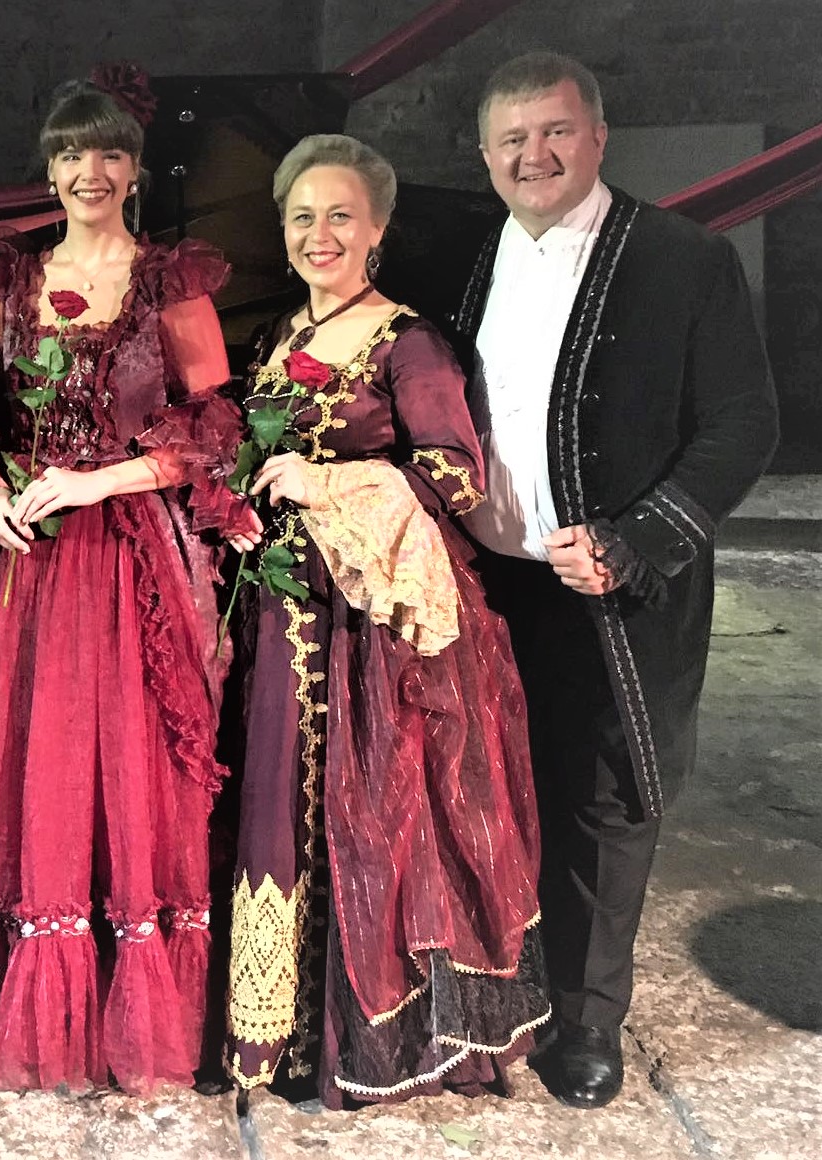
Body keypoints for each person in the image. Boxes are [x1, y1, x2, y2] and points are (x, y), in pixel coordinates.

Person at [455, 53, 777, 1108]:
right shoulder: (464, 255)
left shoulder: (684, 258)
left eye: (554, 131)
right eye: (511, 138)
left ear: (597, 137)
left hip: (614, 587)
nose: (533, 155)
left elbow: (742, 425)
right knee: (499, 787)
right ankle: (503, 993)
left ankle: (588, 1018)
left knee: (605, 801)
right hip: (490, 582)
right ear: (484, 154)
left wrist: (636, 540)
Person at [0, 76, 241, 1096]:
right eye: (70, 155)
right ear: (49, 169)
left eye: (107, 154)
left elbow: (213, 427)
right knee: (42, 763)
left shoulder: (168, 284)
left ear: (134, 170)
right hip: (36, 562)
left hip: (131, 556)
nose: (88, 173)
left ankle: (133, 1007)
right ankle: (45, 1003)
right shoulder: (10, 286)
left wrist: (100, 479)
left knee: (132, 767)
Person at [221, 134, 549, 1107]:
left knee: (376, 819)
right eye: (302, 217)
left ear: (377, 229)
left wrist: (328, 482)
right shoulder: (274, 338)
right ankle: (278, 1033)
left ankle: (372, 1040)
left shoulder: (409, 342)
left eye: (339, 216)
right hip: (283, 615)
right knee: (279, 803)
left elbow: (454, 471)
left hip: (373, 626)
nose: (319, 234)